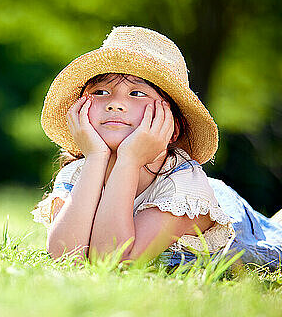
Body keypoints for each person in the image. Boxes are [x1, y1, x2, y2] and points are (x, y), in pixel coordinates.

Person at [31, 26, 282, 269]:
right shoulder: (81, 171)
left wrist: (129, 159)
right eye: (101, 91)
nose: (115, 103)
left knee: (275, 241)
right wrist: (96, 157)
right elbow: (65, 256)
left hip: (229, 215)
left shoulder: (182, 189)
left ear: (173, 127)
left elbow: (111, 260)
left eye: (138, 93)